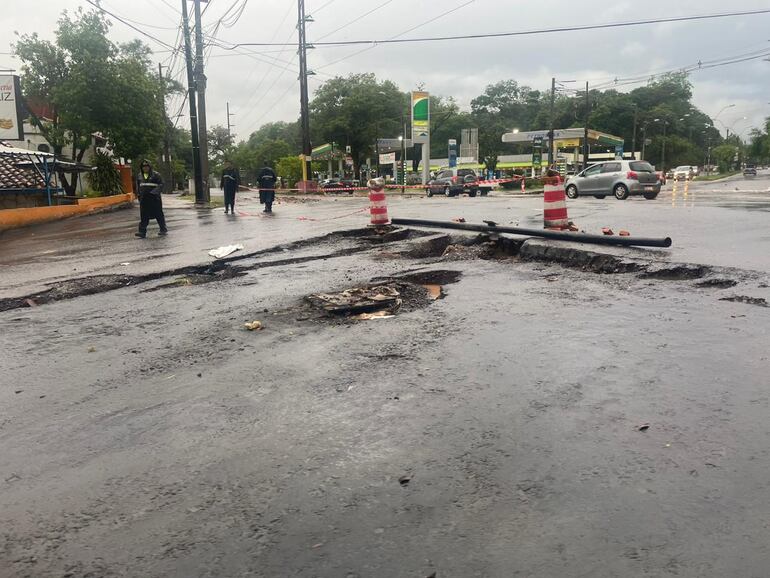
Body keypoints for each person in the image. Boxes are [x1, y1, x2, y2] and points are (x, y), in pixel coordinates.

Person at [135, 160, 167, 238]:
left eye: (146, 166)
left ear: (150, 167)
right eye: (143, 167)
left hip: (154, 198)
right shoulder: (140, 176)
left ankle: (163, 229)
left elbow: (161, 184)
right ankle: (142, 232)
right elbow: (138, 187)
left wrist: (154, 193)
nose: (145, 168)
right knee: (144, 215)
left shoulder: (156, 175)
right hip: (144, 199)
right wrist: (139, 195)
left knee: (158, 214)